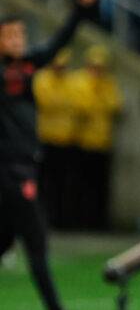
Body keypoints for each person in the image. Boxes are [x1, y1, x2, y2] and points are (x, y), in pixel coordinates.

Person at [0, 0, 98, 310]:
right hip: (13, 172)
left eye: (20, 34)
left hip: (23, 167)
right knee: (37, 243)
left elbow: (59, 42)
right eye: (10, 35)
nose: (17, 40)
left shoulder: (27, 65)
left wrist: (82, 8)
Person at [69, 45, 122, 230]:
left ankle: (97, 223)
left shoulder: (109, 84)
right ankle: (78, 221)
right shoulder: (79, 81)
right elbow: (82, 107)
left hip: (103, 143)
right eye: (94, 66)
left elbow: (115, 106)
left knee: (100, 188)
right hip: (82, 143)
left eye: (101, 67)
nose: (97, 71)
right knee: (81, 186)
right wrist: (96, 91)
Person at [32, 49, 78, 229]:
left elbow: (77, 104)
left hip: (66, 141)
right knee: (44, 184)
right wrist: (63, 104)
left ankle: (60, 220)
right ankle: (42, 219)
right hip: (46, 140)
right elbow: (47, 102)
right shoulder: (42, 79)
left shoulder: (70, 81)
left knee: (63, 185)